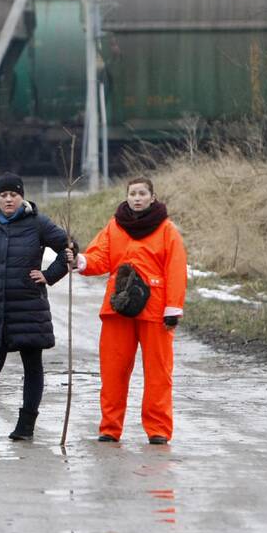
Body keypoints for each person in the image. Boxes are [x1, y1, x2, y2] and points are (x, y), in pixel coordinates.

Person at [71, 176, 187, 445]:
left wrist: (173, 308)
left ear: (152, 197)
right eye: (132, 193)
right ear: (127, 196)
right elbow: (100, 258)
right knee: (113, 371)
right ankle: (110, 428)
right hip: (118, 309)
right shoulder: (115, 226)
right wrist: (80, 259)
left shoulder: (167, 230)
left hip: (156, 311)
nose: (137, 198)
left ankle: (158, 429)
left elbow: (176, 270)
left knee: (158, 372)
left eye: (142, 193)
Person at [0, 173, 72, 441]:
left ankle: (25, 427)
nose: (8, 199)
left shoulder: (38, 223)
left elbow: (69, 248)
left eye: (13, 194)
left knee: (32, 366)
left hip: (28, 307)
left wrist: (49, 275)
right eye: (3, 195)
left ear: (21, 196)